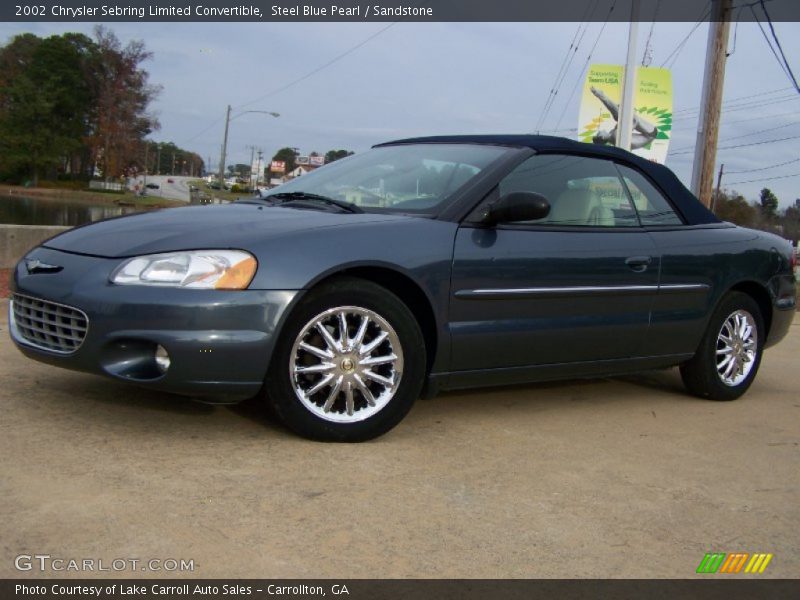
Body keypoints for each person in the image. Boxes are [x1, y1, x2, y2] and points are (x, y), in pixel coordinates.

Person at [589, 86, 659, 149]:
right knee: (620, 116)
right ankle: (600, 95)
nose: (600, 130)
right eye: (599, 133)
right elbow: (635, 121)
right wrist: (630, 114)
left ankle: (601, 95)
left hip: (649, 134)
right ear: (602, 137)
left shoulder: (612, 136)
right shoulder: (616, 136)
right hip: (650, 134)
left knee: (619, 117)